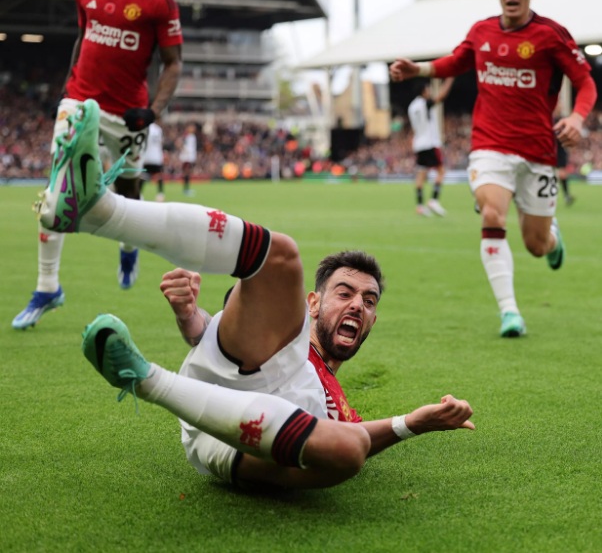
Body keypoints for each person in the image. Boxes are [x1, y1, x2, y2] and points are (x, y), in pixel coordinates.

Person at [36, 98, 474, 490]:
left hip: (237, 444)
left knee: (350, 450)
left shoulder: (338, 403)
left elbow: (360, 435)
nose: (358, 304)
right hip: (246, 372)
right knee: (281, 256)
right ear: (315, 302)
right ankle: (99, 210)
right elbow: (228, 329)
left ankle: (143, 377)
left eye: (370, 300)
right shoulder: (292, 334)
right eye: (345, 292)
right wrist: (191, 317)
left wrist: (414, 423)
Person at [389, 0, 597, 338]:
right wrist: (418, 68)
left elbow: (586, 83)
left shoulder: (551, 35)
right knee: (492, 214)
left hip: (538, 152)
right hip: (490, 147)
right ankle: (510, 312)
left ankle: (553, 240)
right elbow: (456, 61)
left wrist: (576, 117)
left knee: (535, 245)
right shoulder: (482, 31)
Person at [12, 0, 183, 328]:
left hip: (128, 114)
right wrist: (67, 88)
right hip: (79, 103)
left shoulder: (159, 2)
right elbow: (82, 37)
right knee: (56, 195)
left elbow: (173, 63)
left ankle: (128, 246)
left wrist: (153, 111)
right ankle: (47, 286)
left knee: (128, 188)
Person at [407, 78, 454, 216]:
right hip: (429, 142)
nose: (430, 91)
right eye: (428, 89)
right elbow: (441, 97)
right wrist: (450, 79)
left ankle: (420, 205)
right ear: (423, 91)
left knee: (421, 174)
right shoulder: (424, 103)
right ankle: (433, 200)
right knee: (441, 171)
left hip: (418, 143)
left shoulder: (412, 106)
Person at [141, 121, 166, 202]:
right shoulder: (158, 129)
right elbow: (161, 142)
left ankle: (139, 194)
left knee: (142, 177)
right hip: (157, 157)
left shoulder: (145, 128)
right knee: (159, 176)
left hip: (147, 157)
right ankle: (160, 194)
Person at [179, 124, 198, 196]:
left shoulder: (191, 136)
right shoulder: (187, 136)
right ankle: (186, 190)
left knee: (188, 173)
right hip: (187, 158)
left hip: (189, 157)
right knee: (186, 173)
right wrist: (185, 152)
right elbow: (181, 144)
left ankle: (186, 189)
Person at [556, 140, 575, 206]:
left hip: (560, 151)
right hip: (558, 151)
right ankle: (566, 196)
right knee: (562, 174)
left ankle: (566, 196)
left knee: (562, 174)